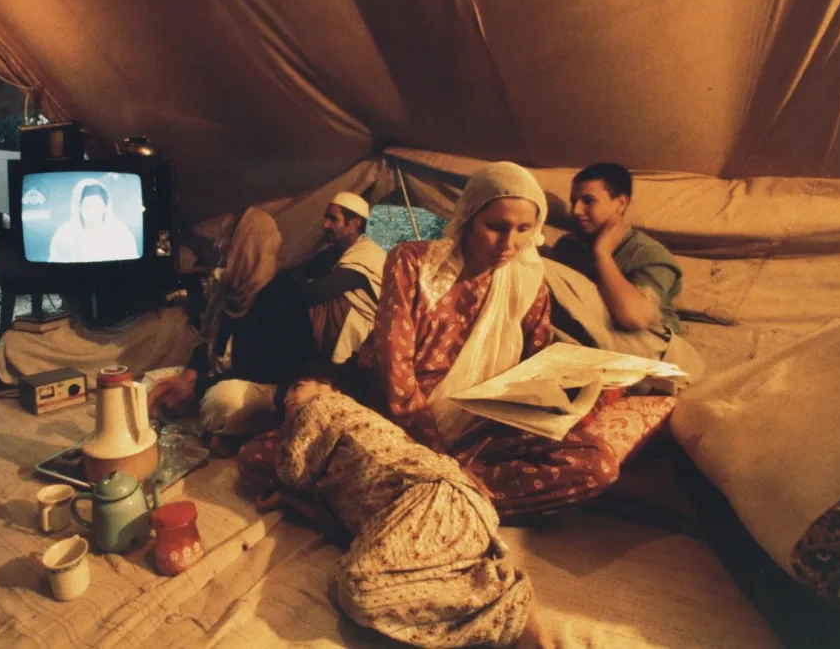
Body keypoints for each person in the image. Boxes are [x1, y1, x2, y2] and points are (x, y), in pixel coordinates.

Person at [243, 163, 619, 518]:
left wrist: (579, 388)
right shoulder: (411, 263)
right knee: (258, 458)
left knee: (596, 464)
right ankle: (444, 496)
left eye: (524, 229)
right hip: (399, 424)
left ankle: (432, 495)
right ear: (469, 219)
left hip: (481, 430)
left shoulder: (528, 280)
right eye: (497, 227)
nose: (510, 243)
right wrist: (435, 456)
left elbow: (540, 360)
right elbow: (395, 368)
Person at [240, 384, 550, 649]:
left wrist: (291, 427)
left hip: (432, 499)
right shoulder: (339, 445)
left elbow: (291, 471)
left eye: (297, 387)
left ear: (329, 387)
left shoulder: (321, 405)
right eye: (285, 402)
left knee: (359, 588)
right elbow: (337, 522)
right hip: (451, 513)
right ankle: (488, 578)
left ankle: (509, 602)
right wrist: (290, 501)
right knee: (364, 576)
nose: (289, 399)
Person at [147, 207, 317, 438]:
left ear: (245, 243)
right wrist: (188, 376)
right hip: (218, 374)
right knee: (150, 384)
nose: (217, 244)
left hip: (265, 386)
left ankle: (222, 431)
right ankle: (207, 427)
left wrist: (196, 387)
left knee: (222, 400)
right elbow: (207, 343)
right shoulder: (231, 287)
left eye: (225, 236)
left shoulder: (281, 292)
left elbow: (260, 369)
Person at [547, 163, 703, 376]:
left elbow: (635, 318)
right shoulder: (568, 247)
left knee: (543, 269)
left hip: (653, 352)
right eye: (574, 201)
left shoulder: (649, 253)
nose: (576, 210)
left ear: (620, 203)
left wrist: (602, 255)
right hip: (590, 341)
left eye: (588, 201)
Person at [291, 192, 386, 364]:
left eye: (333, 219)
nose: (325, 225)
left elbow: (317, 292)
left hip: (361, 340)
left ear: (354, 224)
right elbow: (302, 272)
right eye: (326, 218)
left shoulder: (368, 253)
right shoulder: (336, 251)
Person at [48, 178, 139, 263]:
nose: (92, 212)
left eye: (97, 206)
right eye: (87, 206)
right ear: (79, 208)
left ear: (105, 207)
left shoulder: (120, 232)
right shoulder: (64, 233)